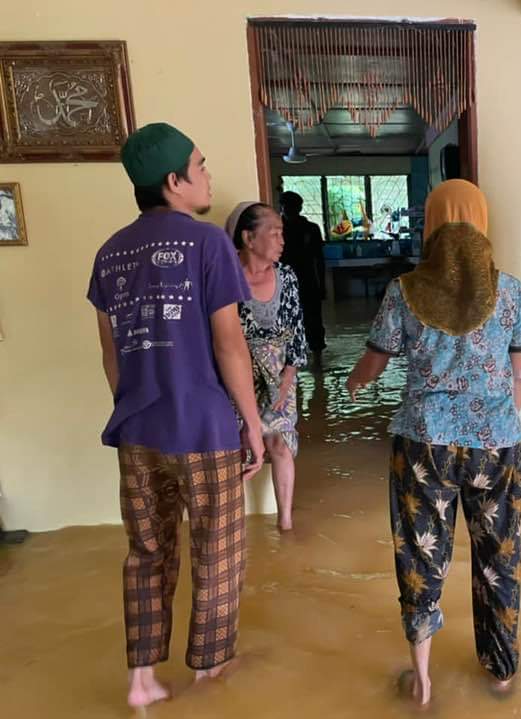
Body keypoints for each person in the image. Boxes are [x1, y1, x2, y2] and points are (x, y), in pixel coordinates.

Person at [86, 122, 264, 708]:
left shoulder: (110, 253)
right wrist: (254, 426)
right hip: (205, 430)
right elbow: (229, 345)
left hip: (138, 432)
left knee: (146, 553)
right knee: (217, 549)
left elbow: (112, 356)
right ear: (174, 181)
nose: (208, 174)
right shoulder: (208, 242)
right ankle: (209, 677)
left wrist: (136, 405)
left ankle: (141, 680)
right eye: (201, 164)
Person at [346, 180, 521, 706]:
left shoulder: (403, 290)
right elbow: (520, 373)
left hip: (422, 443)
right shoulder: (513, 292)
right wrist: (496, 424)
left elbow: (375, 361)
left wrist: (352, 381)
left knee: (419, 555)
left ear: (431, 226)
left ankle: (423, 677)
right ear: (482, 223)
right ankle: (500, 671)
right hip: (498, 445)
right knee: (499, 556)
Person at [226, 202, 308, 532]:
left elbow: (297, 330)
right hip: (238, 372)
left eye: (281, 233)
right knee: (239, 444)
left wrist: (288, 379)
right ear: (248, 238)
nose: (281, 240)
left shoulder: (286, 276)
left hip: (279, 374)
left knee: (280, 444)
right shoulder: (224, 277)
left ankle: (285, 522)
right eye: (273, 233)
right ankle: (236, 525)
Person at [278, 191, 326, 356]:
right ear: (282, 207)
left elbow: (319, 259)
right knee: (285, 319)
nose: (291, 210)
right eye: (288, 206)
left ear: (300, 207)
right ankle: (289, 356)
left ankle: (317, 357)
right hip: (282, 281)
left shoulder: (310, 229)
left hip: (307, 280)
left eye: (295, 207)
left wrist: (322, 285)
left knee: (313, 320)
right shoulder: (276, 229)